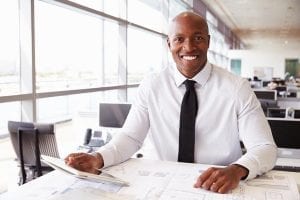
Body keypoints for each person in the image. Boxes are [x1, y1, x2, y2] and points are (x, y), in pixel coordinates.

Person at [65, 11, 277, 194]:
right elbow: (130, 137)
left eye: (198, 38)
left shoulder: (236, 88)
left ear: (209, 42)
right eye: (179, 39)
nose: (189, 47)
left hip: (216, 187)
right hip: (159, 184)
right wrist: (98, 158)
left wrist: (237, 169)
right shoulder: (152, 85)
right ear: (169, 44)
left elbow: (265, 147)